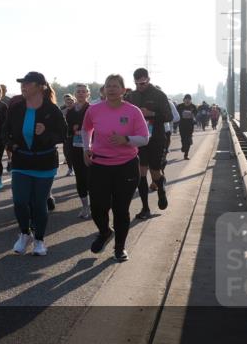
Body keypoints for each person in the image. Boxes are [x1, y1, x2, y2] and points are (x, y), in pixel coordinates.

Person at [82, 74, 150, 262]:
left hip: (125, 166)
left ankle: (119, 249)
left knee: (121, 209)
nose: (111, 89)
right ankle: (104, 232)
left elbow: (144, 138)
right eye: (108, 86)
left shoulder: (133, 111)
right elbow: (86, 129)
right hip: (99, 165)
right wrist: (86, 148)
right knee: (97, 207)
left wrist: (126, 140)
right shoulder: (94, 110)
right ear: (103, 90)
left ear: (123, 90)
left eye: (115, 86)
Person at [2, 72, 66, 256]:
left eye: (28, 84)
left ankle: (39, 240)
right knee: (20, 201)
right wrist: (12, 145)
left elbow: (63, 134)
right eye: (22, 83)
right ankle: (24, 234)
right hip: (21, 160)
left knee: (38, 203)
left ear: (40, 86)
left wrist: (45, 133)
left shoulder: (51, 110)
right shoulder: (16, 108)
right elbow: (4, 131)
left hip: (44, 162)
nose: (23, 86)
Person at [126, 68, 173, 220]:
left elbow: (169, 116)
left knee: (155, 172)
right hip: (139, 139)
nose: (140, 86)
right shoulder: (131, 96)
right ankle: (145, 208)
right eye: (137, 83)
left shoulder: (159, 95)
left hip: (156, 138)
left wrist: (151, 113)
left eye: (143, 83)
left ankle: (161, 189)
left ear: (148, 79)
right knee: (141, 173)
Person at [66, 84, 92, 219]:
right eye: (78, 92)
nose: (81, 94)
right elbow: (67, 130)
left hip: (89, 148)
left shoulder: (92, 109)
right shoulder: (70, 111)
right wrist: (73, 130)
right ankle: (85, 207)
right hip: (75, 147)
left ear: (88, 94)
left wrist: (82, 130)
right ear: (75, 94)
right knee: (80, 177)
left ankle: (95, 205)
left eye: (83, 92)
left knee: (91, 177)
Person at [176, 95, 197, 159]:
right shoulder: (179, 106)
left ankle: (186, 154)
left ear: (191, 100)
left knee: (188, 139)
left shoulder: (193, 106)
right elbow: (176, 114)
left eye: (189, 99)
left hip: (190, 125)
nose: (187, 100)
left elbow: (196, 114)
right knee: (183, 138)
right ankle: (183, 146)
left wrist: (192, 114)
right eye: (186, 99)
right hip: (182, 125)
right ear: (184, 100)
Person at [61, 94, 75, 176]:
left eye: (70, 100)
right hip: (66, 134)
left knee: (75, 153)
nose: (69, 101)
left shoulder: (77, 109)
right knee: (67, 152)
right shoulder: (62, 110)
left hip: (76, 135)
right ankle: (70, 168)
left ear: (74, 101)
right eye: (67, 100)